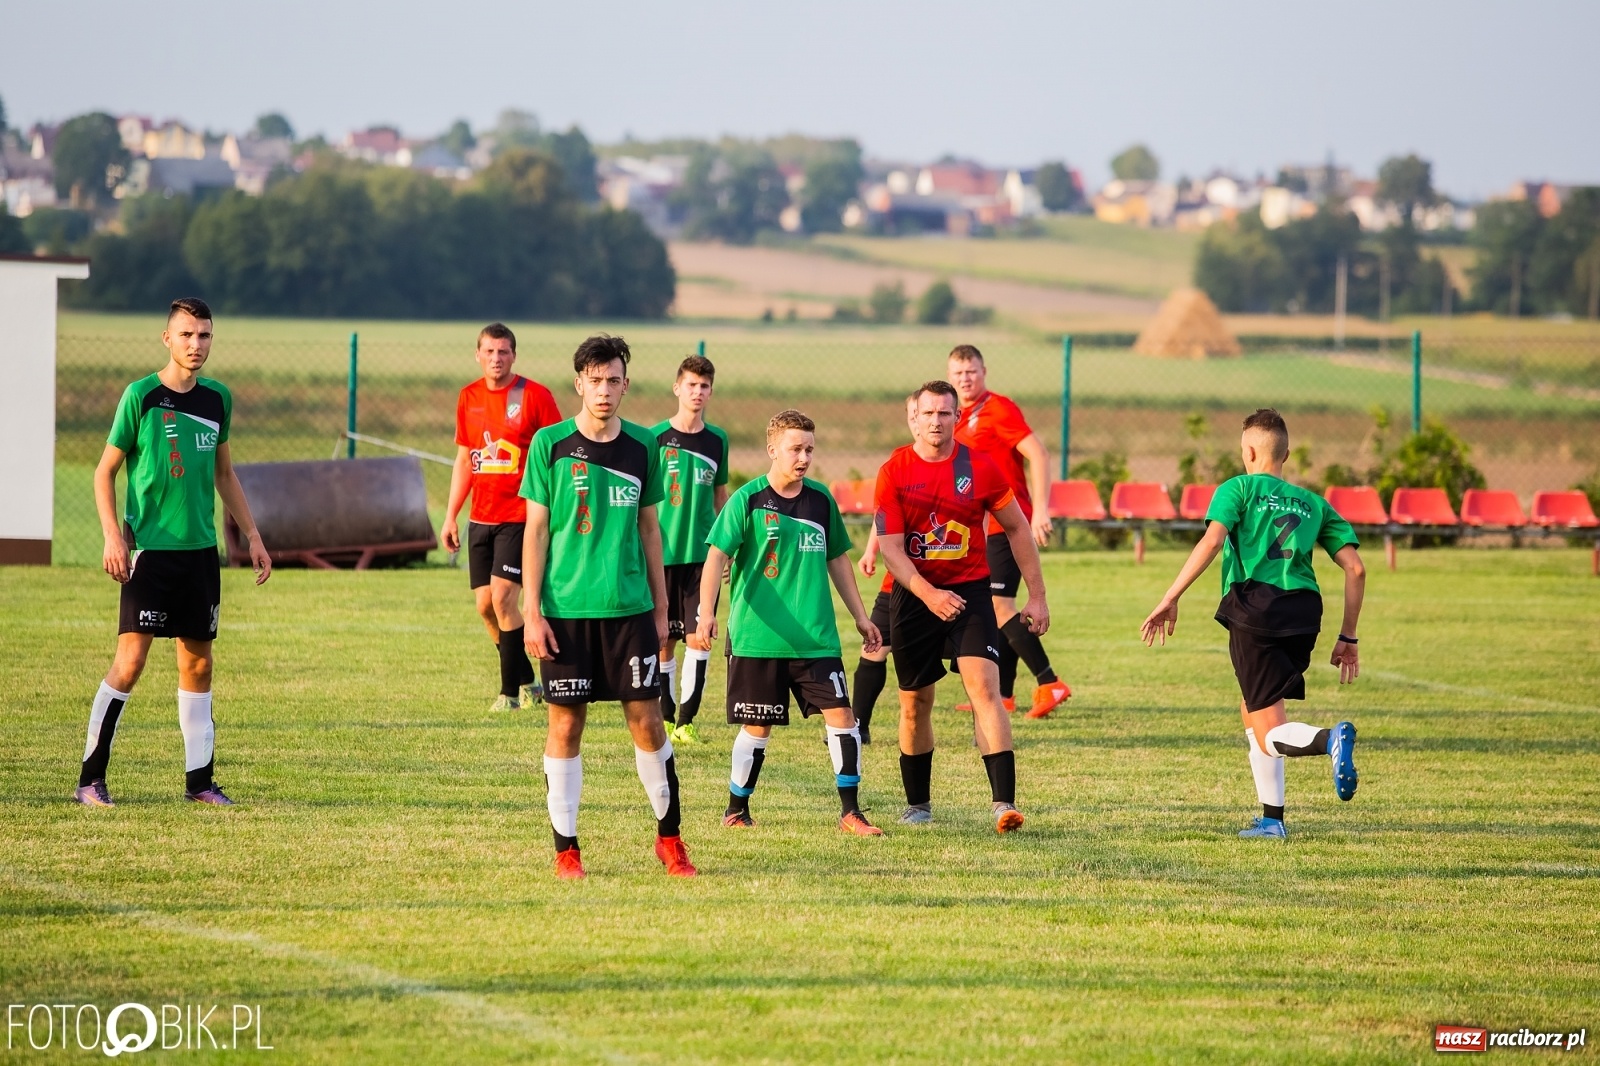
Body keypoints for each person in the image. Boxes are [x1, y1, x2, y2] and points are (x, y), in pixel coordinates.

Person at [75, 297, 272, 809]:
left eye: (205, 335)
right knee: (130, 662)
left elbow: (224, 475)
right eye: (187, 335)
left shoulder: (217, 400)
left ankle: (199, 783)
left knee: (199, 666)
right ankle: (90, 780)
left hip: (199, 554)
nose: (196, 345)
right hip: (149, 552)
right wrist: (112, 536)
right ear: (168, 338)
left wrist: (251, 534)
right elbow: (103, 472)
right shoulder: (140, 395)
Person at [1140, 408, 1364, 839]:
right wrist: (1348, 635)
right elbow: (1355, 570)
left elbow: (1212, 539)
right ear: (1285, 453)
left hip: (1256, 607)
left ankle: (1328, 739)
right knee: (1254, 707)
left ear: (1248, 450)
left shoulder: (1237, 488)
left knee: (1268, 733)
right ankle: (1272, 819)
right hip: (1305, 610)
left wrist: (1171, 596)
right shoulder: (1313, 503)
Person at [521, 334, 695, 880]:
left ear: (625, 384)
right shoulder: (549, 444)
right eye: (593, 379)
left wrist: (662, 606)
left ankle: (670, 841)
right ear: (578, 384)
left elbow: (650, 530)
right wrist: (532, 610)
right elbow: (536, 532)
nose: (603, 389)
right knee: (565, 728)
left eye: (613, 379)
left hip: (630, 612)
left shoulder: (644, 445)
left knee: (648, 724)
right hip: (566, 613)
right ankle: (566, 850)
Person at [873, 380, 1051, 832]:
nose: (936, 421)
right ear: (913, 417)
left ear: (957, 417)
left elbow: (1018, 528)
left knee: (985, 691)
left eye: (945, 413)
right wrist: (929, 594)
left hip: (971, 594)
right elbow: (892, 548)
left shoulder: (983, 467)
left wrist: (1037, 595)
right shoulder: (893, 470)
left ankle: (1003, 804)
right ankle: (918, 805)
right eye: (928, 413)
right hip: (914, 597)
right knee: (915, 703)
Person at [696, 409, 884, 836]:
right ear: (772, 450)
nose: (803, 457)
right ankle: (736, 808)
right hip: (758, 640)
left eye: (809, 449)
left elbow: (838, 559)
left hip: (815, 639)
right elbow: (715, 558)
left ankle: (851, 812)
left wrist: (859, 616)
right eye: (795, 449)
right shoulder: (747, 500)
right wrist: (706, 611)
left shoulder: (820, 501)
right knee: (757, 726)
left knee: (843, 717)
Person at [441, 323, 562, 712]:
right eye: (489, 352)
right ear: (477, 355)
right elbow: (464, 459)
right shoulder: (468, 397)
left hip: (520, 515)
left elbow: (558, 454)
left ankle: (510, 694)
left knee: (504, 597)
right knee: (484, 606)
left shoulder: (536, 396)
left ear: (514, 355)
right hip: (481, 518)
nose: (496, 358)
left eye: (504, 352)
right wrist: (450, 516)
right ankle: (529, 679)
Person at [947, 345, 1071, 719]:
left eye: (971, 371)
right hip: (978, 527)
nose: (965, 378)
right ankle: (1002, 694)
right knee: (993, 606)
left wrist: (1041, 510)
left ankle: (1050, 682)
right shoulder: (957, 414)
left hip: (1007, 524)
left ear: (984, 371)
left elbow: (1039, 453)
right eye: (958, 373)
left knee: (1000, 606)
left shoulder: (998, 409)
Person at [651, 355, 729, 745]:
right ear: (677, 387)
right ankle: (664, 716)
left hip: (702, 560)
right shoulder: (654, 439)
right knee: (663, 639)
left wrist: (728, 548)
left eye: (704, 386)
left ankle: (686, 721)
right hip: (661, 558)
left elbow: (721, 499)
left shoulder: (717, 440)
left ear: (711, 391)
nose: (697, 392)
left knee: (700, 637)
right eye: (691, 385)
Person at [851, 396, 918, 746]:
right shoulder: (898, 461)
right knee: (874, 644)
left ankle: (984, 722)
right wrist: (870, 549)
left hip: (953, 581)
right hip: (899, 579)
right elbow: (885, 516)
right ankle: (857, 724)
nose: (920, 421)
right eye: (914, 415)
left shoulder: (962, 463)